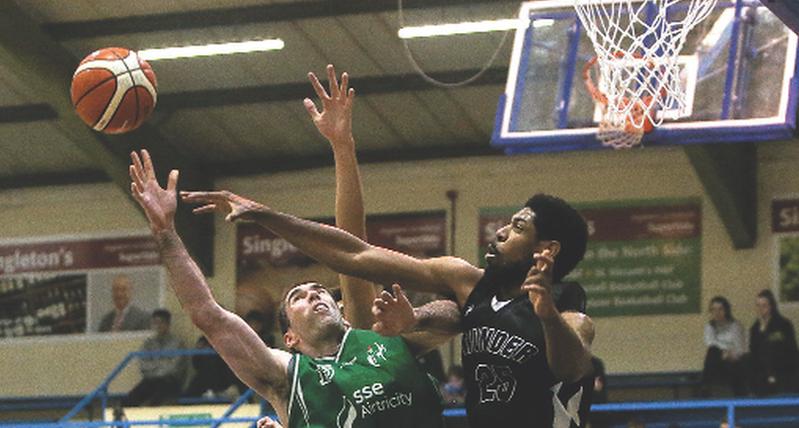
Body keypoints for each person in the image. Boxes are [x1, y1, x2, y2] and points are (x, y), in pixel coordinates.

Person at [127, 65, 445, 427]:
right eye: (299, 298)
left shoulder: (380, 338)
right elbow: (208, 314)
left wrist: (343, 145)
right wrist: (166, 233)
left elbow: (355, 246)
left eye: (319, 291)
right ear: (289, 337)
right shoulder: (287, 376)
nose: (315, 295)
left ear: (342, 311)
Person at [181, 182, 594, 426]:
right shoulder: (468, 283)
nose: (502, 231)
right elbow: (356, 256)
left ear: (548, 250)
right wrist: (267, 216)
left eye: (517, 228)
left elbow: (573, 366)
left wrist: (547, 316)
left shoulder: (570, 313)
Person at [123, 309, 187, 406]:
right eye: (155, 323)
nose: (158, 326)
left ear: (168, 324)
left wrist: (155, 367)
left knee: (156, 402)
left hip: (169, 381)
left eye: (161, 322)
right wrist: (162, 364)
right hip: (151, 380)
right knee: (128, 400)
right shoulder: (148, 343)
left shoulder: (177, 343)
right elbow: (143, 366)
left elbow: (173, 368)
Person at [749, 289, 798, 395]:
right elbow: (754, 352)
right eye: (758, 305)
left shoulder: (784, 324)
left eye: (764, 305)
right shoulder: (754, 328)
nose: (760, 309)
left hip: (783, 368)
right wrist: (761, 332)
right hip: (762, 374)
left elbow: (791, 350)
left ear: (771, 306)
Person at [701, 296, 747, 396]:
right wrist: (724, 352)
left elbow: (740, 348)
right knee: (712, 352)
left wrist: (728, 354)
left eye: (720, 309)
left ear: (726, 310)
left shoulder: (735, 326)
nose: (717, 312)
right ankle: (705, 388)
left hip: (733, 360)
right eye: (713, 309)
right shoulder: (709, 327)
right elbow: (710, 343)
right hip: (717, 359)